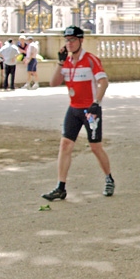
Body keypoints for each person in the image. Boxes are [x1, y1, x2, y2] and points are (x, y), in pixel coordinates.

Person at [42, 26, 114, 201]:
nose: (69, 43)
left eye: (73, 40)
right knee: (65, 145)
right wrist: (60, 63)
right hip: (73, 108)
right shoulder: (66, 62)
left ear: (81, 40)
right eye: (67, 40)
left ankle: (108, 178)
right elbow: (53, 83)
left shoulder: (90, 60)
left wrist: (96, 103)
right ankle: (61, 187)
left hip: (90, 111)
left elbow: (103, 82)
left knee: (95, 147)